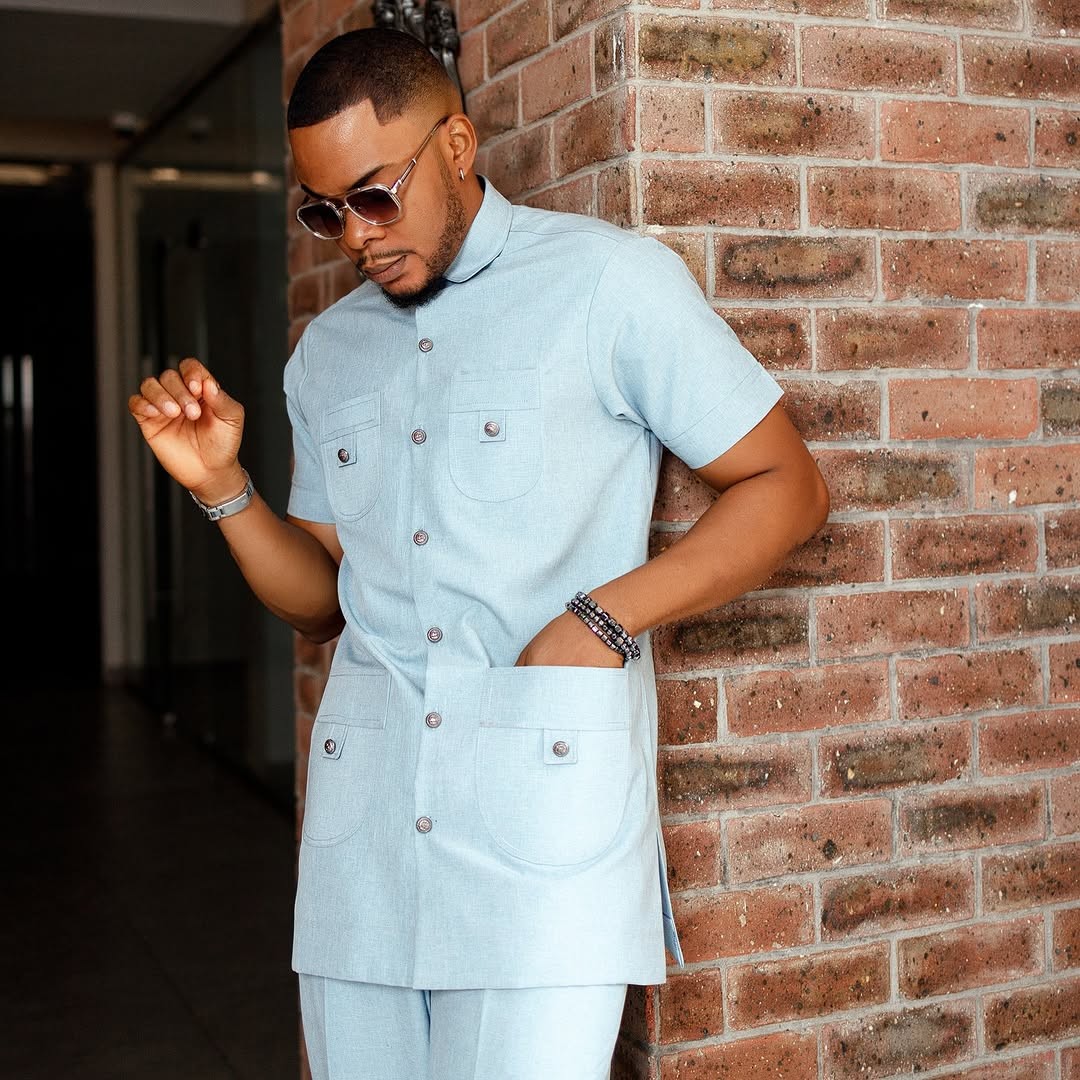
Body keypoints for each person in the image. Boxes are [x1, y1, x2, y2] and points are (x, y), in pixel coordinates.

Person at [127, 26, 830, 1080]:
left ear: (456, 147)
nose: (355, 238)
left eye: (374, 196)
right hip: (364, 849)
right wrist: (221, 485)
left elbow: (788, 487)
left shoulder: (609, 284)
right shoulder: (324, 356)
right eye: (323, 212)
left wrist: (600, 620)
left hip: (542, 842)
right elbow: (318, 601)